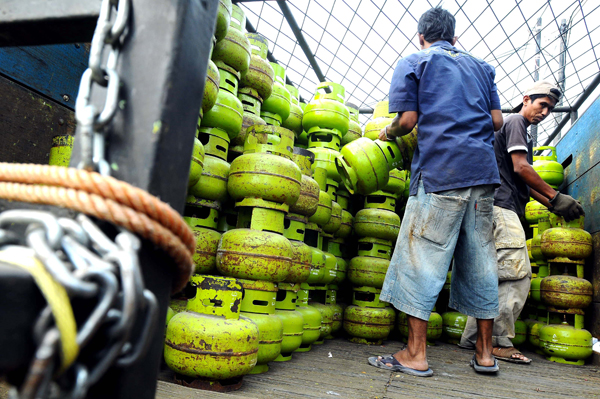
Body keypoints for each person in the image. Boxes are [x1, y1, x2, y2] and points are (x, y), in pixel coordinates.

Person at [367, 6, 504, 376]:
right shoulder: (482, 67)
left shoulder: (415, 61)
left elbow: (407, 120)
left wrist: (388, 132)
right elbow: (495, 121)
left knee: (421, 260)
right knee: (481, 262)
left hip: (441, 171)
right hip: (482, 175)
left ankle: (415, 354)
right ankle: (486, 354)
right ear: (455, 38)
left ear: (422, 37)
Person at [458, 81, 585, 363]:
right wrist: (556, 194)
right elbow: (522, 168)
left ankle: (473, 338)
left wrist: (553, 202)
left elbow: (524, 184)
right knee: (517, 274)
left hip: (490, 206)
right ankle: (498, 341)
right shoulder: (515, 121)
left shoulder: (513, 129)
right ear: (526, 99)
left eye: (550, 109)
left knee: (492, 275)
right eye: (542, 105)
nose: (545, 112)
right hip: (502, 209)